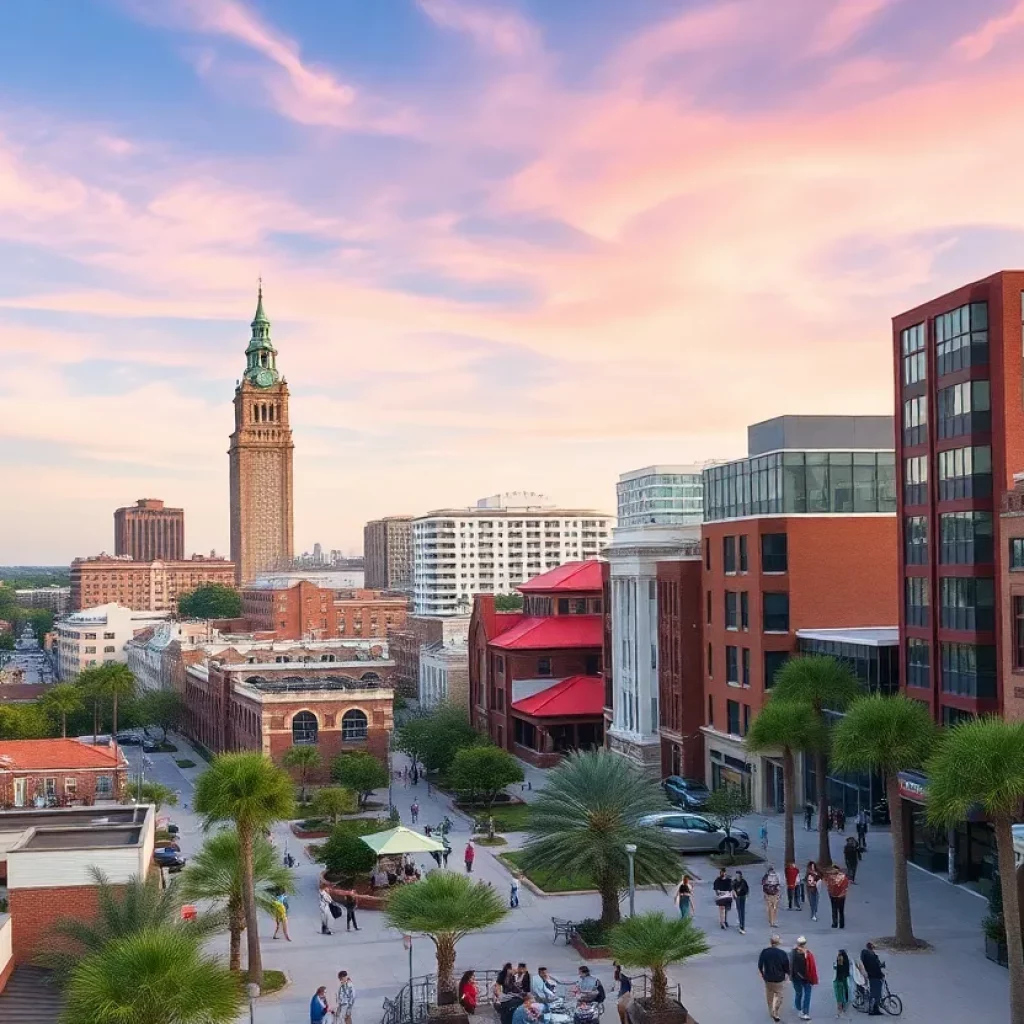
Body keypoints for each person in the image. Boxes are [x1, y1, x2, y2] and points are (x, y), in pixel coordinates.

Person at [758, 934, 791, 1023]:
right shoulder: (782, 954)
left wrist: (762, 973)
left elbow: (760, 964)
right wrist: (788, 975)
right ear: (778, 943)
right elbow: (786, 966)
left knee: (769, 995)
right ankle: (775, 1011)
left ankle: (771, 1010)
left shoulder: (765, 952)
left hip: (768, 978)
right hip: (779, 978)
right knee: (779, 995)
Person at [790, 936, 817, 1021]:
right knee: (807, 994)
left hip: (795, 977)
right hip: (806, 978)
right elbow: (811, 967)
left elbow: (791, 965)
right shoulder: (807, 954)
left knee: (798, 993)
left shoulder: (793, 952)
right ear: (805, 944)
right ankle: (805, 1012)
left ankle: (798, 1007)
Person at [860, 942, 885, 1016]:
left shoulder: (874, 955)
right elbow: (863, 965)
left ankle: (875, 1009)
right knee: (874, 993)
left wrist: (881, 968)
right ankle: (872, 1009)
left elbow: (878, 965)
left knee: (878, 993)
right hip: (873, 976)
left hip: (877, 976)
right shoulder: (866, 954)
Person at [826, 865, 849, 929]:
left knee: (835, 909)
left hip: (836, 896)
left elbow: (829, 886)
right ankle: (840, 924)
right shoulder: (843, 877)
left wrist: (830, 893)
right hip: (840, 896)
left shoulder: (831, 877)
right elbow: (845, 886)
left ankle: (835, 923)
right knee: (839, 910)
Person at [761, 864, 782, 929]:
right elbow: (763, 885)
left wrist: (778, 894)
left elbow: (778, 885)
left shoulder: (776, 876)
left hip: (775, 894)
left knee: (774, 908)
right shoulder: (766, 877)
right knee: (771, 908)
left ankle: (773, 921)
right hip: (768, 895)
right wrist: (765, 895)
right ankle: (772, 922)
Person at [833, 949, 852, 1018]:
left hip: (839, 979)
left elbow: (839, 969)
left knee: (839, 995)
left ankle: (839, 1011)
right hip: (845, 978)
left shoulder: (840, 958)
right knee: (845, 992)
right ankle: (844, 1007)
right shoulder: (847, 960)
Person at [733, 870, 750, 934]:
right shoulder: (734, 881)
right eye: (736, 875)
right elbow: (733, 889)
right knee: (740, 911)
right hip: (738, 897)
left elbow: (747, 889)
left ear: (740, 875)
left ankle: (742, 926)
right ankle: (741, 926)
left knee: (742, 911)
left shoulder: (743, 881)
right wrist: (735, 895)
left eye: (738, 875)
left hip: (743, 897)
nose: (737, 876)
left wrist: (747, 895)